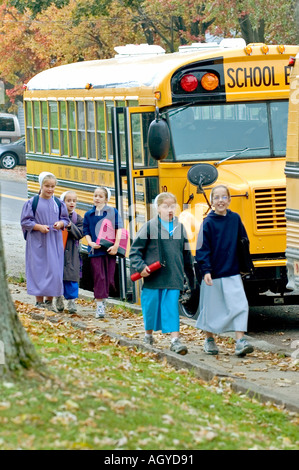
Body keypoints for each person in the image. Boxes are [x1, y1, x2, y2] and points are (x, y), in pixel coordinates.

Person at [129, 192, 195, 355]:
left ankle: (175, 340)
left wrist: (191, 279)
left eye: (173, 206)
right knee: (150, 308)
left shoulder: (180, 227)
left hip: (173, 277)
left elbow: (187, 255)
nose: (169, 210)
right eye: (165, 206)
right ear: (158, 208)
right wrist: (140, 267)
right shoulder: (150, 226)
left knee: (171, 307)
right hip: (153, 277)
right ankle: (148, 335)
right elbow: (135, 251)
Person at [195, 184, 254, 357]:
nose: (220, 200)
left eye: (224, 197)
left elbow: (243, 242)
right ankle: (209, 339)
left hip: (233, 271)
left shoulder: (235, 219)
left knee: (240, 305)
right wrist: (205, 270)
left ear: (229, 200)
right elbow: (202, 248)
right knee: (211, 308)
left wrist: (245, 266)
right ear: (212, 201)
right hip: (212, 274)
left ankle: (240, 341)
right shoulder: (208, 222)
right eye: (216, 197)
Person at [20, 172, 70, 309]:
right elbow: (25, 221)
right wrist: (38, 227)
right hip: (37, 242)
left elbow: (66, 219)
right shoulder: (32, 203)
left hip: (54, 240)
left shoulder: (58, 203)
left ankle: (49, 300)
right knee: (38, 270)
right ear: (41, 185)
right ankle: (39, 301)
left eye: (52, 186)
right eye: (47, 186)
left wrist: (61, 224)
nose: (50, 189)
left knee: (54, 271)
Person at [83, 187, 123, 319]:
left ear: (106, 199)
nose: (97, 198)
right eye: (95, 195)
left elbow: (119, 229)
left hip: (109, 250)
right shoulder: (89, 214)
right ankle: (99, 304)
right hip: (95, 251)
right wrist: (90, 243)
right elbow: (86, 231)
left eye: (100, 196)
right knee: (99, 277)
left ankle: (103, 298)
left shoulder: (113, 212)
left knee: (109, 278)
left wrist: (116, 246)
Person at [55, 191, 83, 314]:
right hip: (59, 251)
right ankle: (58, 297)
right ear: (63, 202)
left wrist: (71, 226)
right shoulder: (57, 216)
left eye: (74, 201)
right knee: (58, 275)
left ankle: (71, 300)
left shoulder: (78, 218)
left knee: (72, 277)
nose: (72, 203)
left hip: (72, 252)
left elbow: (80, 234)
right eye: (69, 200)